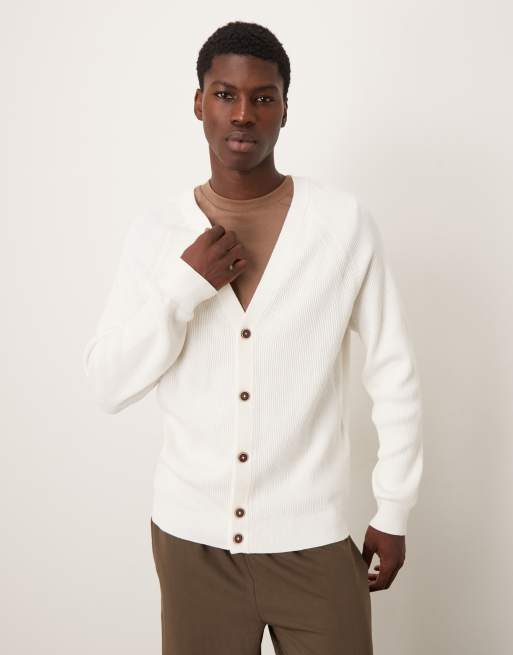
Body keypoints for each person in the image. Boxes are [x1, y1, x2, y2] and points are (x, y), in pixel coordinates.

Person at [82, 20, 423, 655]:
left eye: (263, 97)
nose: (243, 114)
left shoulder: (341, 224)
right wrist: (183, 288)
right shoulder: (156, 233)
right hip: (193, 546)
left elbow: (393, 371)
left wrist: (393, 506)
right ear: (198, 103)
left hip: (313, 539)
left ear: (285, 109)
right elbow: (107, 384)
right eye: (225, 94)